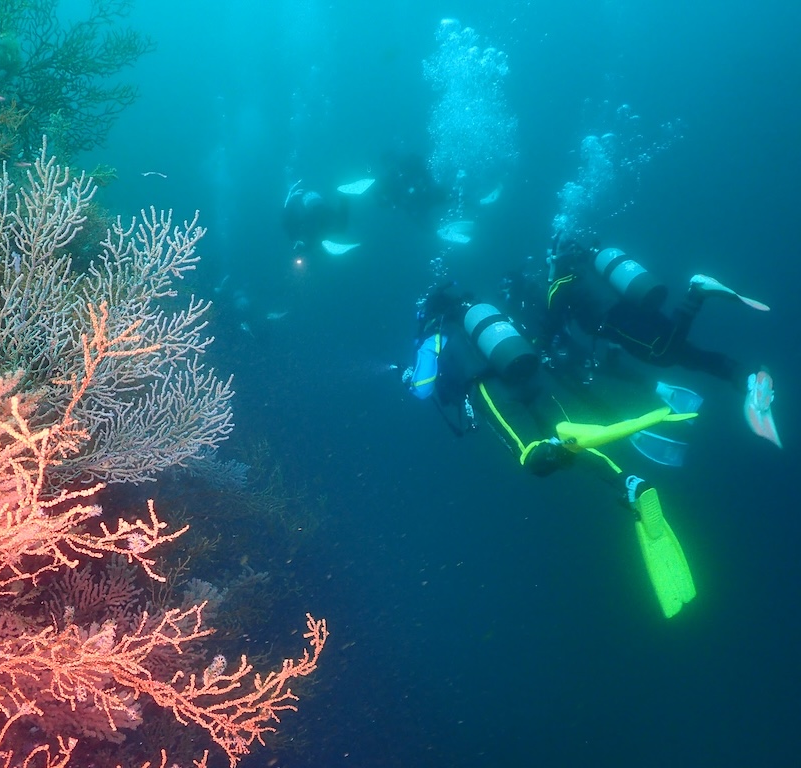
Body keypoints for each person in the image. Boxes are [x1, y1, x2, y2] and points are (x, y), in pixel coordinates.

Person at [402, 282, 697, 618]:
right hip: (531, 375)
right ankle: (630, 483)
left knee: (530, 455)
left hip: (492, 388)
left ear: (430, 313)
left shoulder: (436, 334)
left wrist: (410, 377)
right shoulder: (486, 315)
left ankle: (557, 445)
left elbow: (423, 389)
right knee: (575, 438)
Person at [544, 238, 781, 447]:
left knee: (663, 355)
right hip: (637, 306)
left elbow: (553, 326)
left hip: (616, 321)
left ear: (556, 259)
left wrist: (549, 349)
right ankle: (746, 378)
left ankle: (696, 293)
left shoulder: (559, 285)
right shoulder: (592, 268)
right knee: (689, 356)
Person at [282, 179, 371, 257]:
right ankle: (344, 197)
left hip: (312, 213)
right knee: (340, 228)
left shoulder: (304, 239)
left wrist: (290, 200)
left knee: (335, 230)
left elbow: (288, 222)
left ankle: (344, 197)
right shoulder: (311, 188)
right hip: (322, 207)